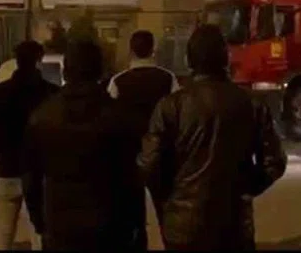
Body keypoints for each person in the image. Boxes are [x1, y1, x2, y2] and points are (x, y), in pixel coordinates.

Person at [139, 24, 287, 250]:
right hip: (234, 224)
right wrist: (245, 188)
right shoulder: (250, 104)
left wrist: (171, 198)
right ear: (226, 58)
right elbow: (274, 161)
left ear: (189, 61)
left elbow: (149, 164)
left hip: (183, 226)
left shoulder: (171, 106)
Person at [21, 39, 138, 250]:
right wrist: (132, 226)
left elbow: (31, 178)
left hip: (60, 223)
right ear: (99, 70)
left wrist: (40, 221)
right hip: (109, 223)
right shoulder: (118, 116)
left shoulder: (43, 116)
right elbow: (130, 178)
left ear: (65, 72)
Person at [0, 40, 60, 251]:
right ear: (39, 60)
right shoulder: (51, 93)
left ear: (16, 61)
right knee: (40, 232)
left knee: (4, 232)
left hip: (7, 170)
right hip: (40, 172)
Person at [107, 29, 181, 250]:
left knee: (133, 215)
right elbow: (177, 115)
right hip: (162, 154)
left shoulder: (118, 81)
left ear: (131, 50)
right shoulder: (168, 78)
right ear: (153, 50)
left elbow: (110, 120)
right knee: (166, 211)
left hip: (129, 157)